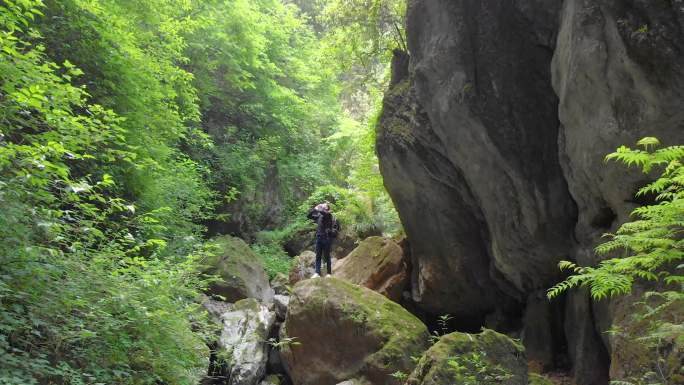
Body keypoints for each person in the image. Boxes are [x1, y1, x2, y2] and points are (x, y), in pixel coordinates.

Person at [306, 202, 338, 278]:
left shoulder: (329, 215)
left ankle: (329, 273)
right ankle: (317, 273)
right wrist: (315, 208)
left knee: (327, 256)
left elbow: (324, 213)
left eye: (324, 206)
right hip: (319, 238)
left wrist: (319, 208)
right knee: (318, 256)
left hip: (326, 238)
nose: (323, 206)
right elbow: (309, 216)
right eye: (323, 206)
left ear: (327, 209)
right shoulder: (319, 216)